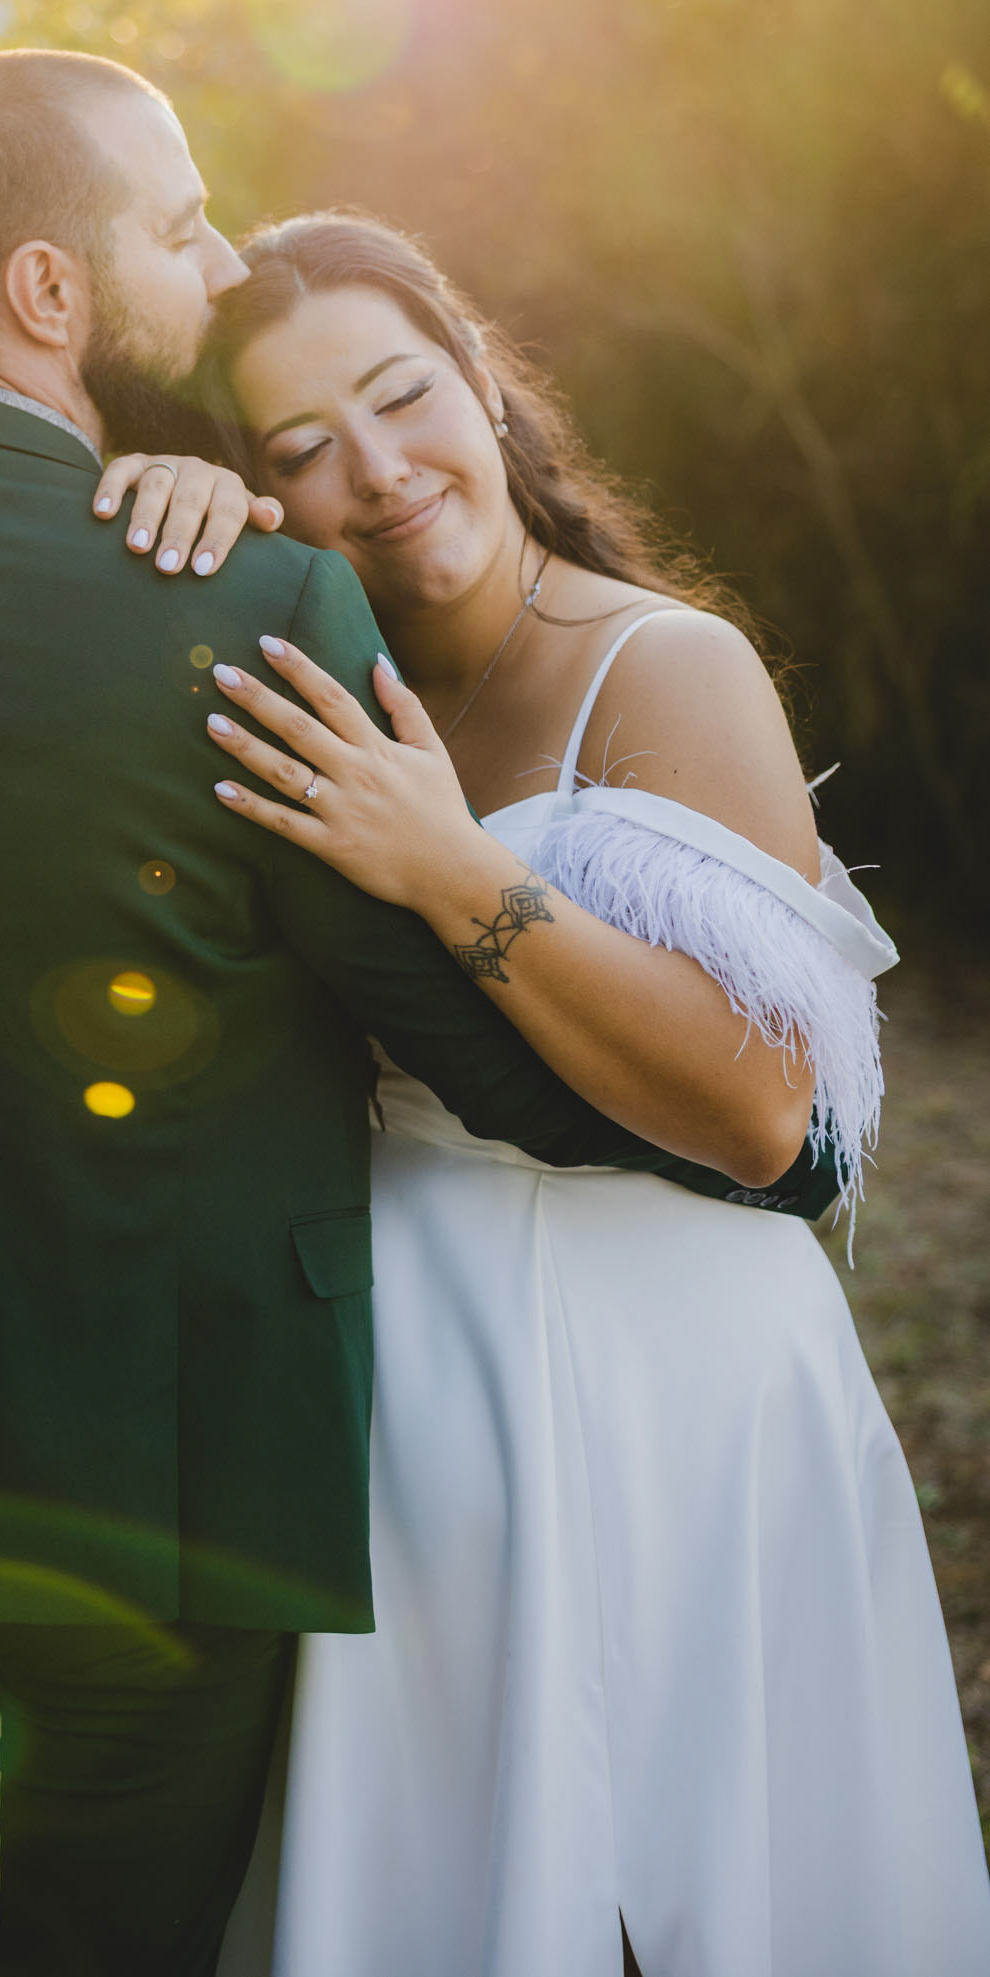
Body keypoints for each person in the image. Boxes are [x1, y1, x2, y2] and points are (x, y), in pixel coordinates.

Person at [0, 57, 813, 1977]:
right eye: (179, 219)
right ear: (51, 292)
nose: (215, 265)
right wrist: (752, 1135)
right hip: (179, 1461)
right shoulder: (264, 597)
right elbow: (446, 1033)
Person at [101, 211, 990, 1976]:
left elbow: (758, 1112)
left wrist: (443, 867)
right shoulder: (296, 673)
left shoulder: (665, 666)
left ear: (486, 380)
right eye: (295, 447)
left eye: (399, 393)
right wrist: (150, 503)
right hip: (409, 1380)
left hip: (684, 1380)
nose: (376, 467)